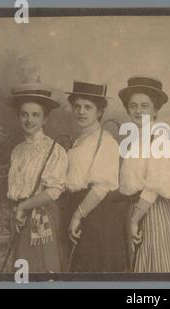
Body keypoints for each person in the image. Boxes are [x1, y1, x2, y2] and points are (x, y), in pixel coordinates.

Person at [61, 81, 126, 272]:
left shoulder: (106, 142)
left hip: (96, 215)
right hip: (77, 209)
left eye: (88, 107)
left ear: (99, 112)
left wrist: (77, 216)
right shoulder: (79, 142)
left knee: (93, 270)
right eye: (77, 106)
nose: (81, 111)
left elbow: (102, 187)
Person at [119, 75, 170, 272]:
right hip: (136, 209)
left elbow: (154, 184)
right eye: (133, 105)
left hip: (152, 212)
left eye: (144, 105)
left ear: (155, 109)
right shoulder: (136, 139)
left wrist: (135, 219)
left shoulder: (159, 137)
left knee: (156, 268)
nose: (138, 111)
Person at [6, 82, 68, 273]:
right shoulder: (17, 151)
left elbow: (53, 190)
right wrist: (18, 209)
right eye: (24, 114)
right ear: (18, 116)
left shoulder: (53, 150)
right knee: (21, 271)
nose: (29, 120)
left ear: (45, 119)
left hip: (42, 220)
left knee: (42, 270)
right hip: (19, 217)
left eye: (35, 115)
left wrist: (24, 207)